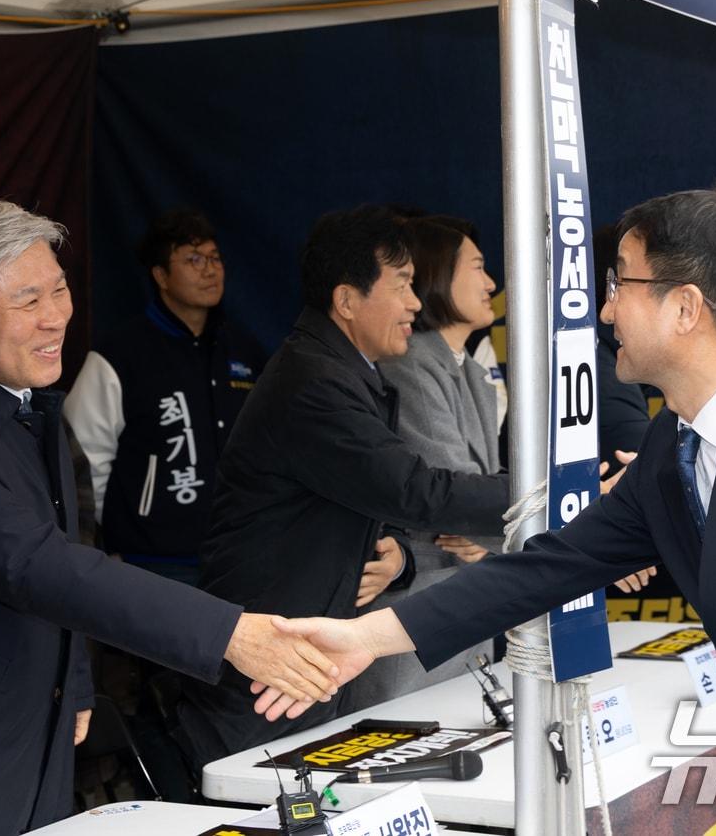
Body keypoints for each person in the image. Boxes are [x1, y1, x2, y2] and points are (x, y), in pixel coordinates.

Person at [262, 186, 716, 835]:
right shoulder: (671, 446)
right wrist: (366, 637)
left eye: (621, 282)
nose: (605, 305)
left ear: (686, 307)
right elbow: (550, 566)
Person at [0, 199, 341, 835]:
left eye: (60, 290)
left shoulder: (31, 403)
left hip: (41, 733)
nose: (57, 316)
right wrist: (233, 636)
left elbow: (69, 542)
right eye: (28, 301)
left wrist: (76, 682)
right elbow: (34, 564)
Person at [176, 205, 510, 769]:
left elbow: (379, 509)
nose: (413, 303)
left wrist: (402, 558)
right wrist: (544, 493)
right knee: (265, 805)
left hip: (312, 657)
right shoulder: (313, 385)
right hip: (271, 663)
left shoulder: (347, 372)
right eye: (402, 286)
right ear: (347, 300)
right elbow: (415, 492)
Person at [341, 216, 504, 711]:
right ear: (437, 276)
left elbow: (478, 499)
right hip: (416, 607)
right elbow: (451, 495)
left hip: (459, 602)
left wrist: (487, 534)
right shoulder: (411, 364)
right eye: (476, 267)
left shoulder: (465, 368)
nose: (491, 283)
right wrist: (495, 528)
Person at [65, 208, 264, 583]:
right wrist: (102, 546)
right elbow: (86, 463)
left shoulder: (243, 351)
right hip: (151, 562)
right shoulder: (120, 355)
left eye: (215, 258)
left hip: (237, 556)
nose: (210, 269)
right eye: (193, 259)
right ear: (160, 275)